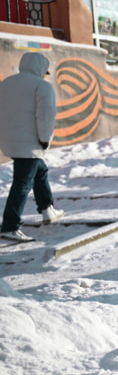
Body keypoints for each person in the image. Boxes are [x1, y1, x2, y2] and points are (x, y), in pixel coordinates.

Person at [0, 51, 64, 243]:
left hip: (10, 140)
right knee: (22, 182)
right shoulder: (42, 86)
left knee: (40, 170)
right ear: (41, 69)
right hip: (31, 141)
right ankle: (10, 226)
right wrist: (45, 140)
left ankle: (47, 209)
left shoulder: (6, 84)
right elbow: (45, 117)